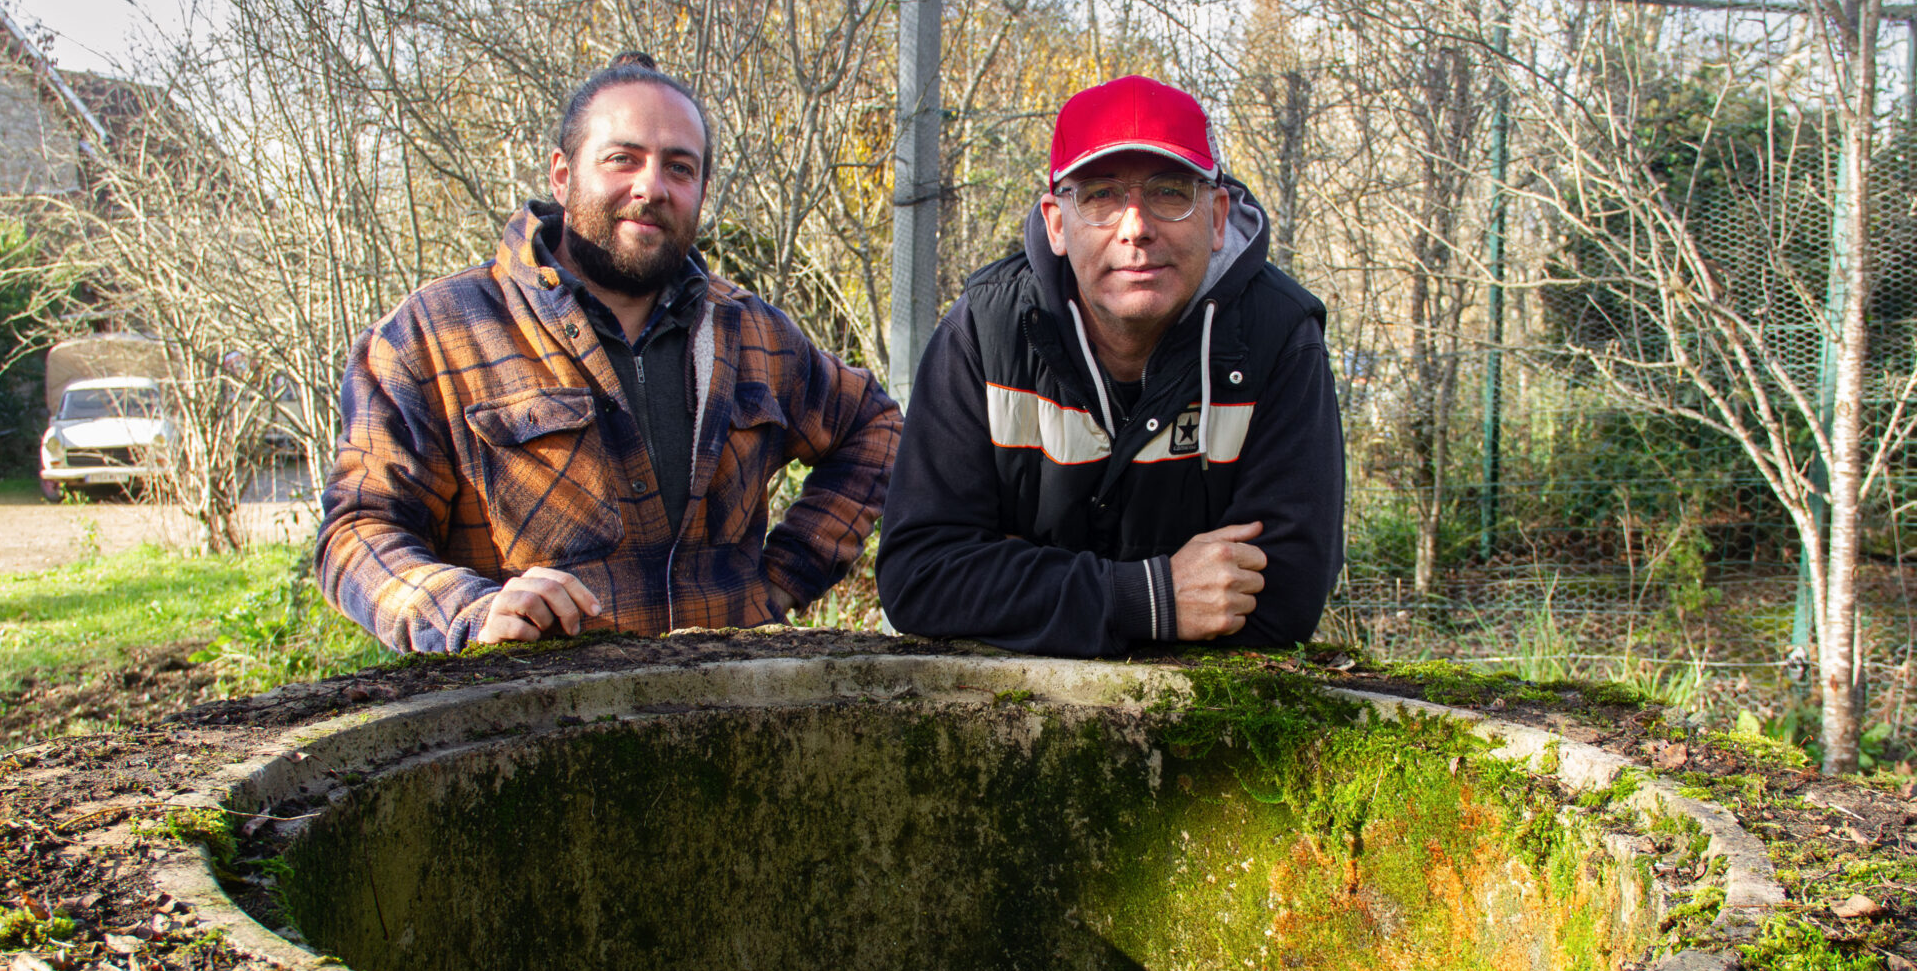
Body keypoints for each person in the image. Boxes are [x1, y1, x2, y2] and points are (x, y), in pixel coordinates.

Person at [317, 52, 899, 651]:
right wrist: (467, 609)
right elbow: (357, 533)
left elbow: (875, 426)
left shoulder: (750, 333)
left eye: (679, 168)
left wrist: (780, 579)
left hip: (734, 714)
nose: (651, 188)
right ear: (563, 175)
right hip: (533, 721)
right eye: (623, 159)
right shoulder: (434, 334)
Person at [875, 74, 1344, 655]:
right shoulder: (985, 333)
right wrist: (1152, 597)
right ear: (1055, 224)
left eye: (1171, 192)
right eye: (1100, 195)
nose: (1136, 227)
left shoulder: (1280, 340)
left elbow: (1282, 601)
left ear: (1218, 217)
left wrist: (1017, 584)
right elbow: (920, 578)